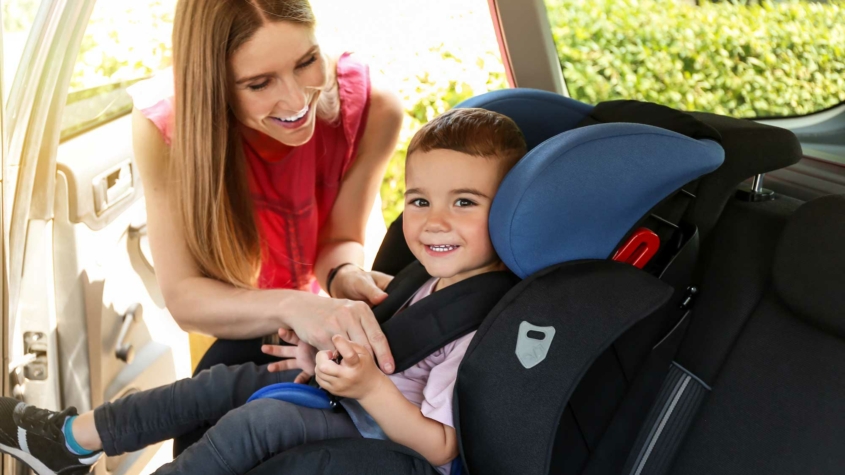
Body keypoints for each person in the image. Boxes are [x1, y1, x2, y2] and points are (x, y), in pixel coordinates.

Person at [0, 108, 526, 475]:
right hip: (351, 397)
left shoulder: (485, 322)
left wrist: (365, 387)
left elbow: (440, 447)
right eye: (418, 201)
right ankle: (69, 440)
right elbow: (397, 350)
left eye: (463, 203)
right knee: (218, 382)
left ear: (508, 211)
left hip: (380, 437)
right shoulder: (428, 278)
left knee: (259, 422)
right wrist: (320, 354)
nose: (434, 222)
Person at [131, 0, 403, 373]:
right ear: (215, 86)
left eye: (307, 61)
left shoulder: (373, 108)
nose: (296, 100)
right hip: (228, 317)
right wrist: (292, 306)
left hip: (318, 309)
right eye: (259, 83)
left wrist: (342, 275)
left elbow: (338, 238)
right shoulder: (164, 129)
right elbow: (184, 296)